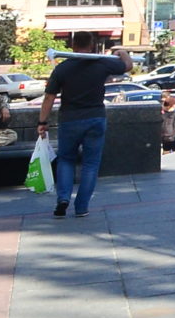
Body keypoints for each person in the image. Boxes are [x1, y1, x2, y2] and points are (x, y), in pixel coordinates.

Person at [37, 35, 130, 219]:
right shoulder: (102, 64)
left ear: (72, 46)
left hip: (69, 120)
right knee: (90, 164)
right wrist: (122, 52)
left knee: (66, 159)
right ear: (92, 45)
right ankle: (81, 207)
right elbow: (127, 66)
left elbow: (49, 97)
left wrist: (42, 122)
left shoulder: (62, 68)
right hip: (95, 118)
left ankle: (63, 199)